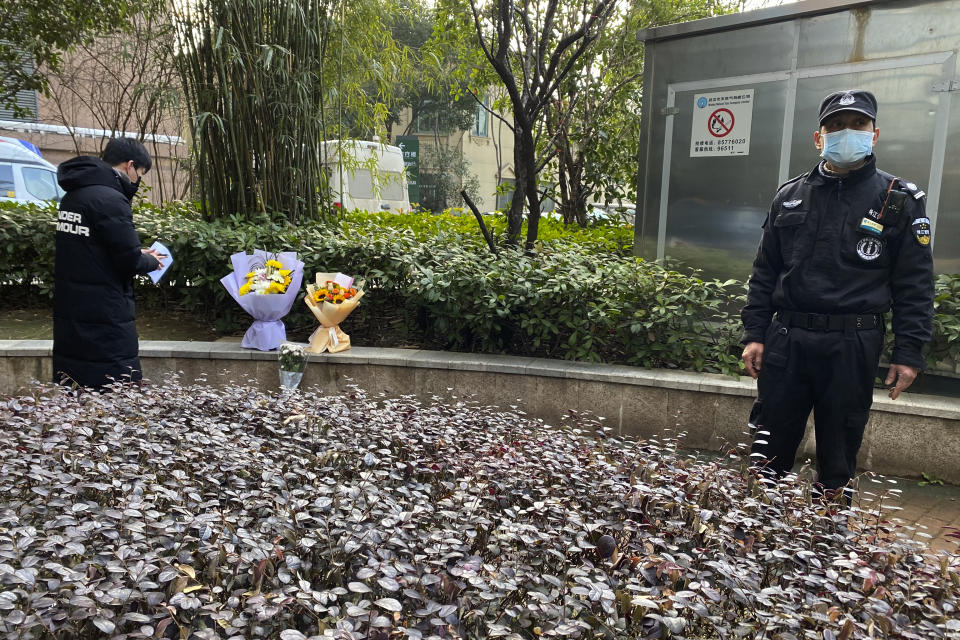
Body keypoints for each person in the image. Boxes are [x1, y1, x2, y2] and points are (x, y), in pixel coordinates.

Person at [741, 89, 934, 493]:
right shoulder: (789, 196)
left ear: (874, 134)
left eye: (858, 124)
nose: (847, 132)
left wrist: (909, 352)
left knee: (838, 458)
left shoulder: (898, 200)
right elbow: (764, 273)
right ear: (819, 137)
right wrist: (755, 333)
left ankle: (826, 542)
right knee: (767, 455)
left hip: (852, 343)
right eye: (836, 125)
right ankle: (753, 539)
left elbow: (914, 285)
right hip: (788, 339)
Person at [53, 137, 166, 390]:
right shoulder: (111, 200)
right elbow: (129, 261)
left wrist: (136, 251)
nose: (138, 181)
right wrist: (149, 260)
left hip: (73, 305)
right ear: (130, 165)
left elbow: (94, 246)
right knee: (111, 385)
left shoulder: (73, 195)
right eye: (140, 174)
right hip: (105, 309)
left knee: (75, 383)